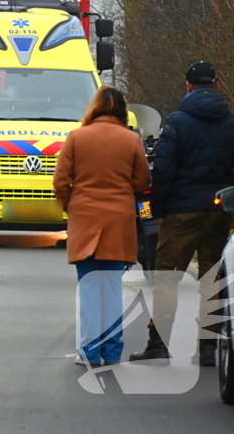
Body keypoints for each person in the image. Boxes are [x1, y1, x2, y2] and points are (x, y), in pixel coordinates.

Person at [130, 61, 234, 366]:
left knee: (167, 277)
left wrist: (159, 210)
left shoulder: (176, 122)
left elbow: (164, 170)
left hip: (181, 212)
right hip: (219, 210)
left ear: (188, 86)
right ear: (217, 84)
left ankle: (159, 342)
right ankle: (209, 348)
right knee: (212, 279)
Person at [53, 87, 151, 367]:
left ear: (94, 108)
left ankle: (89, 351)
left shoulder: (77, 137)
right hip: (119, 221)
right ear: (122, 110)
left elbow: (61, 181)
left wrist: (71, 206)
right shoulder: (131, 139)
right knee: (111, 288)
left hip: (85, 218)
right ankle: (112, 352)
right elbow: (142, 181)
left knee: (89, 287)